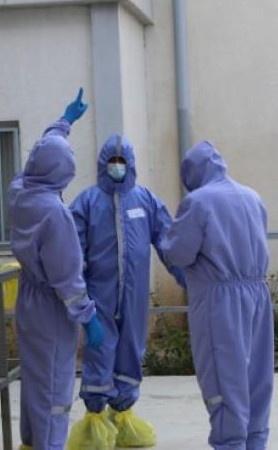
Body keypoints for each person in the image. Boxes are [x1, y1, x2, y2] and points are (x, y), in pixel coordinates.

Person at [67, 135, 185, 449]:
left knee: (131, 350)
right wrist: (78, 298)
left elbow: (168, 242)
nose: (117, 166)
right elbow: (72, 253)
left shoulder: (145, 200)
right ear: (102, 164)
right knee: (99, 353)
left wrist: (187, 276)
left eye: (122, 161)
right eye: (112, 161)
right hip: (99, 297)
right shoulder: (87, 202)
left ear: (130, 164)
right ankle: (95, 420)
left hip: (134, 298)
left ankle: (123, 415)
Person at [160, 141, 273, 450]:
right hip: (258, 295)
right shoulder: (252, 197)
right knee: (256, 378)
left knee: (224, 379)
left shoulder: (198, 202)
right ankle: (255, 442)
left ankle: (230, 444)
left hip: (219, 300)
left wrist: (164, 236)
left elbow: (179, 253)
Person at [9, 89, 105, 450]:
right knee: (54, 388)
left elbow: (41, 154)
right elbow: (67, 277)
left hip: (28, 298)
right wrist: (88, 317)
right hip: (51, 307)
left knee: (35, 381)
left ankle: (32, 443)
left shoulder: (20, 191)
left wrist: (64, 122)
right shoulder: (55, 214)